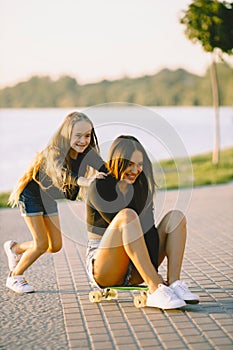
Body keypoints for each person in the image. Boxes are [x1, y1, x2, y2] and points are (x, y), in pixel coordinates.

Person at [86, 135, 199, 310]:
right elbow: (124, 226)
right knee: (128, 217)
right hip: (105, 268)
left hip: (137, 267)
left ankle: (174, 284)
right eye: (130, 164)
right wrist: (154, 279)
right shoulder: (99, 186)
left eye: (139, 164)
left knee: (175, 217)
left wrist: (153, 271)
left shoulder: (140, 185)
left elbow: (149, 231)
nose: (136, 170)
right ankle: (155, 290)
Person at [4, 111, 106, 294]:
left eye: (87, 136)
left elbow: (105, 168)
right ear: (67, 134)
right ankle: (14, 277)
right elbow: (63, 174)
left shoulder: (86, 153)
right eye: (78, 136)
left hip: (48, 198)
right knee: (41, 243)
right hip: (31, 195)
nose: (83, 140)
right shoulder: (55, 152)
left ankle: (15, 248)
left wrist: (125, 175)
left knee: (54, 246)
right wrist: (86, 181)